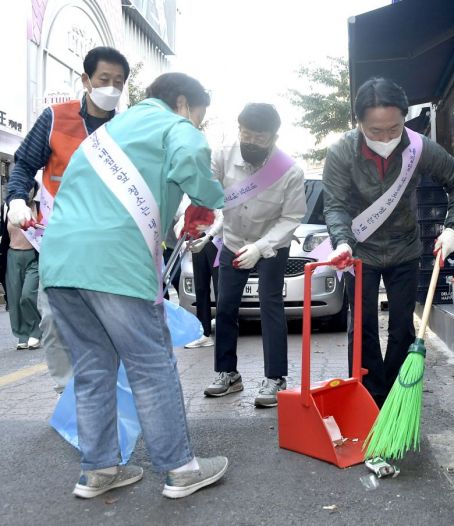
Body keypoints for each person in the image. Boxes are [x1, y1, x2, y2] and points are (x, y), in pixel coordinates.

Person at [39, 72, 228, 499]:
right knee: (150, 366)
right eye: (198, 116)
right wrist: (213, 199)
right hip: (116, 264)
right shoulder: (175, 127)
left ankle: (99, 470)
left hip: (61, 263)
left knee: (91, 368)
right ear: (183, 103)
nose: (197, 125)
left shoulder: (109, 132)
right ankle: (181, 469)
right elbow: (192, 159)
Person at [323, 77, 454, 408]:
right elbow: (334, 204)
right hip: (359, 252)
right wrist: (342, 242)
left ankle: (396, 398)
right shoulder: (341, 152)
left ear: (404, 117)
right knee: (361, 328)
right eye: (375, 131)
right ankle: (367, 398)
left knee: (403, 326)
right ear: (358, 122)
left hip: (405, 249)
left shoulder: (418, 147)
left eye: (394, 128)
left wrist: (453, 229)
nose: (387, 137)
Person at [6, 46, 130, 393]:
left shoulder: (128, 128)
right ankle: (68, 394)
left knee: (111, 321)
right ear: (86, 79)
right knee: (55, 319)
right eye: (104, 79)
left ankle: (104, 390)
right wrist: (16, 199)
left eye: (118, 82)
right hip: (61, 239)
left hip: (111, 244)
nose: (111, 88)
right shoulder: (55, 117)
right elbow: (25, 165)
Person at [205, 103, 306, 407]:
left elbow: (291, 218)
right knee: (224, 307)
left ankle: (275, 378)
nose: (250, 142)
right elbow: (209, 193)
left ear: (274, 137)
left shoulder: (289, 170)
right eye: (245, 135)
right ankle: (227, 373)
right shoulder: (222, 156)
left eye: (259, 138)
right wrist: (209, 227)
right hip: (234, 239)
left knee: (270, 305)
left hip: (272, 244)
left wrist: (261, 248)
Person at [3, 194, 42, 350]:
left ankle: (35, 331)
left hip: (33, 257)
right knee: (15, 297)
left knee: (27, 295)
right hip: (12, 256)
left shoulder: (40, 206)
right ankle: (22, 334)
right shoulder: (7, 208)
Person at [183, 202, 222, 348]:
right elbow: (183, 214)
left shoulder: (219, 187)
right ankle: (204, 333)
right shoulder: (192, 193)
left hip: (217, 242)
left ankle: (224, 331)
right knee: (200, 287)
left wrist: (209, 234)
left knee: (220, 288)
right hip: (198, 240)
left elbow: (222, 216)